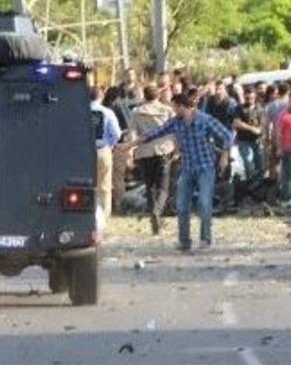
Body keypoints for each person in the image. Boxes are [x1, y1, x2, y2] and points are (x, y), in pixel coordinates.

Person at [135, 92, 235, 251]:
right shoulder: (176, 122)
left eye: (175, 108)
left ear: (182, 106)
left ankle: (205, 240)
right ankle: (184, 241)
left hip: (205, 168)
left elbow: (227, 136)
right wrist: (130, 145)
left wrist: (224, 156)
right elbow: (154, 133)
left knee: (204, 203)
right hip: (187, 168)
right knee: (181, 205)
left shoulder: (205, 120)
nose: (174, 111)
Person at [127, 83, 176, 235]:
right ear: (158, 95)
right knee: (164, 188)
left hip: (144, 152)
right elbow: (175, 130)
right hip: (163, 150)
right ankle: (157, 211)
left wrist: (131, 151)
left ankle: (154, 214)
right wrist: (177, 147)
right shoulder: (167, 110)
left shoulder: (136, 112)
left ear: (144, 95)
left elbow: (132, 133)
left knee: (149, 186)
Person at [90, 90, 122, 224]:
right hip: (102, 150)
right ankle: (103, 217)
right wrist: (111, 144)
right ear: (101, 97)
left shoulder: (78, 111)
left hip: (83, 152)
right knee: (104, 185)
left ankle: (87, 213)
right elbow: (116, 134)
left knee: (85, 184)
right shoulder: (107, 112)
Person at [233, 86, 266, 182]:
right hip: (244, 141)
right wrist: (251, 128)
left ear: (255, 97)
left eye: (252, 98)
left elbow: (263, 125)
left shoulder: (260, 108)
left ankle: (260, 186)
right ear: (244, 97)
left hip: (257, 141)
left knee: (259, 165)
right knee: (248, 164)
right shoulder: (239, 108)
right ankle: (251, 184)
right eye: (247, 98)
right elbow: (236, 123)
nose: (250, 100)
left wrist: (262, 133)